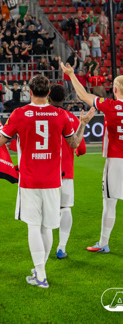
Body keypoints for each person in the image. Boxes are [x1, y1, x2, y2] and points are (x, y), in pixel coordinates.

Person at [0, 74, 91, 288]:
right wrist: (82, 124)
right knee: (47, 227)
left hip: (29, 180)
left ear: (30, 92)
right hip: (53, 180)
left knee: (33, 225)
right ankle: (41, 270)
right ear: (48, 93)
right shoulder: (60, 115)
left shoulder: (19, 114)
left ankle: (40, 275)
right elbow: (74, 144)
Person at [61, 62, 123, 254]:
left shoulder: (110, 105)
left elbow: (83, 95)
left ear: (115, 90)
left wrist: (71, 75)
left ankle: (103, 243)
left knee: (110, 202)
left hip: (116, 161)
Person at [48, 84, 86, 259]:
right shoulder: (71, 118)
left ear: (49, 97)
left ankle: (43, 248)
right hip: (65, 171)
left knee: (45, 209)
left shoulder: (41, 115)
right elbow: (81, 149)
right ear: (64, 99)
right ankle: (61, 247)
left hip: (45, 171)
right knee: (65, 208)